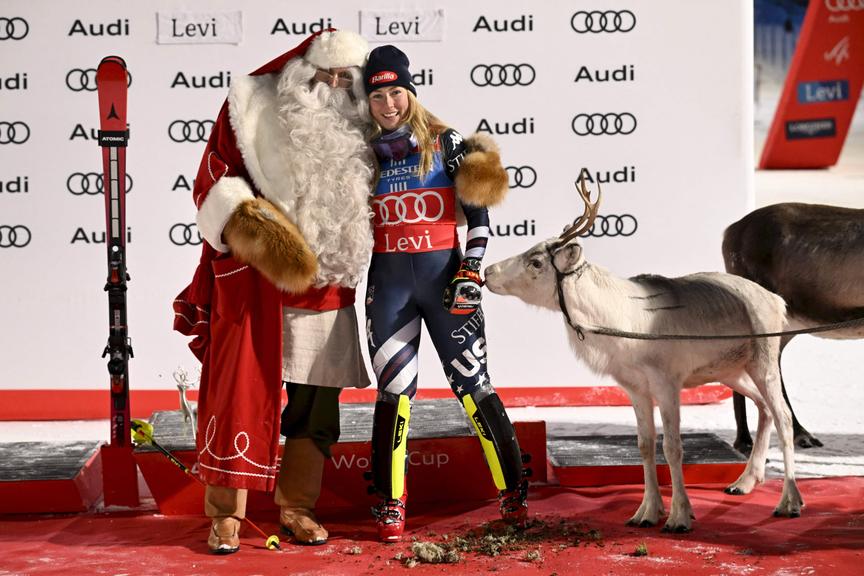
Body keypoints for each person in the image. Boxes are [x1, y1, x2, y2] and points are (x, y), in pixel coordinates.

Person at [172, 30, 374, 554]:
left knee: (316, 406)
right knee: (237, 397)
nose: (334, 86)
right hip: (257, 281)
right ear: (301, 71)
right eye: (326, 75)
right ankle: (225, 514)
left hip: (327, 284)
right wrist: (263, 238)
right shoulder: (251, 107)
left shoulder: (370, 118)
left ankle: (298, 506)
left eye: (345, 79)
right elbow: (216, 182)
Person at [362, 45, 529, 543]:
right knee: (393, 393)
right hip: (389, 289)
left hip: (446, 285)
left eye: (396, 92)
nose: (388, 104)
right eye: (377, 96)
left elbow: (479, 215)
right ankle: (390, 503)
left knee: (475, 386)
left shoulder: (446, 141)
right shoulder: (361, 152)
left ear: (411, 93)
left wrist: (471, 270)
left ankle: (513, 494)